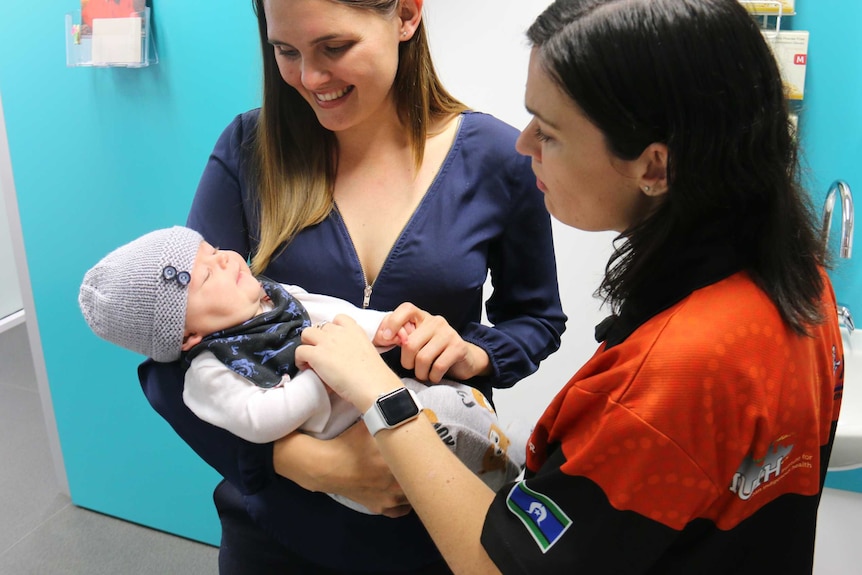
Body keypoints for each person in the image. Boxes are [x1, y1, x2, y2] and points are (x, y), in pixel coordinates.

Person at [295, 0, 846, 573]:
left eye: (550, 133)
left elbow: (497, 567)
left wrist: (378, 392)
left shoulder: (672, 374)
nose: (524, 144)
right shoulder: (802, 285)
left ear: (654, 168)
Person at [136, 0, 567, 573]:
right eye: (286, 51)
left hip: (431, 523)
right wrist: (307, 464)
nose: (310, 79)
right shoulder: (249, 151)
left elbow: (537, 320)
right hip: (277, 532)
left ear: (407, 15)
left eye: (334, 48)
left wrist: (472, 352)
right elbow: (167, 362)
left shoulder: (498, 159)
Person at [80, 226, 524, 514]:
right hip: (346, 447)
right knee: (443, 419)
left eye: (213, 251)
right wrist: (325, 372)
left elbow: (335, 314)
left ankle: (511, 461)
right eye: (203, 277)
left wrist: (382, 329)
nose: (225, 261)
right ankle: (507, 474)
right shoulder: (209, 372)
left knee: (458, 403)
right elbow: (259, 421)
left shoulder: (273, 296)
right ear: (186, 337)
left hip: (379, 397)